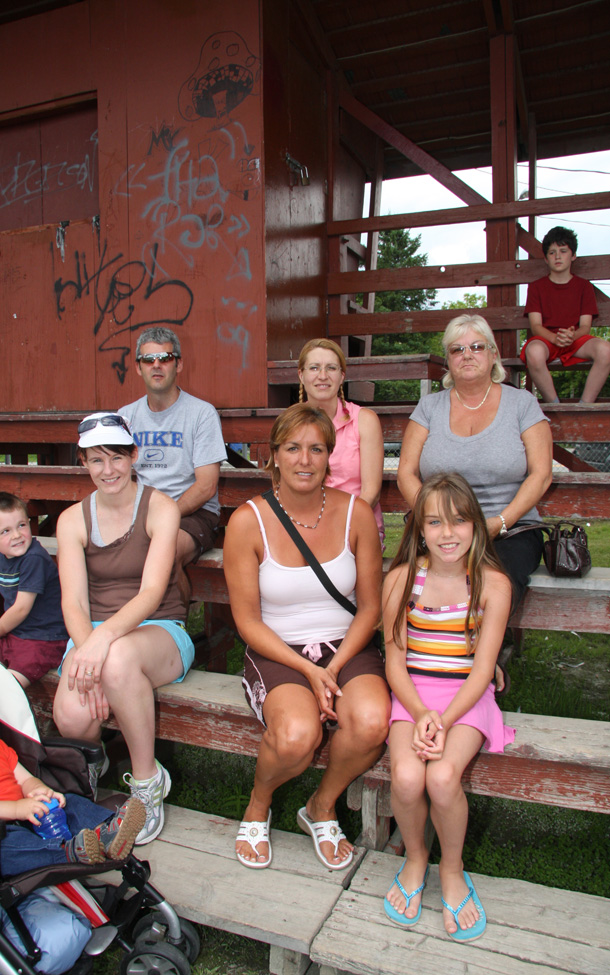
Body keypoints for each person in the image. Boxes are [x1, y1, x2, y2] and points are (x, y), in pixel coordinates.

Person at [223, 404, 390, 871]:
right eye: (293, 448)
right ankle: (259, 804)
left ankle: (321, 805)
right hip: (278, 647)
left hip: (346, 644)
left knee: (373, 721)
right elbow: (249, 622)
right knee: (298, 735)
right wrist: (307, 670)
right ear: (274, 455)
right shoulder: (247, 521)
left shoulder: (356, 513)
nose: (304, 459)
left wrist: (332, 668)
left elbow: (371, 607)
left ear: (330, 457)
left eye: (316, 448)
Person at [382, 473, 514, 941]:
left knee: (440, 777)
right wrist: (420, 714)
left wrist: (445, 718)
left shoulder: (493, 583)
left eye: (458, 521)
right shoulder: (401, 578)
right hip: (414, 696)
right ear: (419, 528)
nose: (446, 533)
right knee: (405, 776)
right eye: (434, 522)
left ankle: (452, 868)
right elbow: (395, 663)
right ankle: (417, 856)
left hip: (466, 698)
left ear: (476, 526)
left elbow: (482, 671)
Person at [52, 412, 195, 844]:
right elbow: (73, 601)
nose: (108, 470)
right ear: (83, 463)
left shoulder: (160, 507)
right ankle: (91, 767)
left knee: (115, 661)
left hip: (158, 628)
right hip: (92, 633)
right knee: (71, 716)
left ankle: (149, 783)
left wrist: (98, 649)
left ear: (134, 456)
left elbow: (152, 591)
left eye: (117, 457)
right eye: (96, 460)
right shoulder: (72, 520)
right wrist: (87, 651)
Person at [397, 314, 552, 606]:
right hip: (440, 530)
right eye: (457, 349)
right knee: (406, 579)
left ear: (493, 355)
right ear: (448, 361)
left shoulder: (522, 403)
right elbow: (406, 472)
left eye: (477, 347)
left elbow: (541, 474)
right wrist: (435, 520)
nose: (467, 354)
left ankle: (478, 649)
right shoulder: (429, 406)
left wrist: (500, 522)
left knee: (494, 581)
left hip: (508, 531)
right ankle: (421, 649)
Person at [0, 670, 146, 875]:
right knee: (7, 849)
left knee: (69, 802)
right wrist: (15, 809)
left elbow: (24, 779)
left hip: (29, 814)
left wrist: (39, 791)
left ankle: (108, 833)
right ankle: (67, 854)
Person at [119, 327, 227, 614]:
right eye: (148, 359)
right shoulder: (125, 417)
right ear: (138, 367)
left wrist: (161, 519)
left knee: (162, 553)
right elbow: (117, 478)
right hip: (142, 512)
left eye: (165, 357)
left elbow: (206, 487)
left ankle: (172, 630)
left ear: (178, 364)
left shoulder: (201, 413)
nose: (156, 364)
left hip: (193, 513)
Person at [298, 338, 385, 548]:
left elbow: (371, 492)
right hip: (303, 524)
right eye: (314, 368)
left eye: (331, 368)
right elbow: (281, 485)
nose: (323, 375)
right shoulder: (289, 424)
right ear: (301, 375)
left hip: (356, 526)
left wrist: (336, 527)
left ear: (341, 376)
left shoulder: (365, 420)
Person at [0, 493, 68, 689]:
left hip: (44, 639)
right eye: (5, 531)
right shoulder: (4, 556)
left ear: (29, 524)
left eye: (21, 525)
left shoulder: (34, 558)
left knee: (7, 686)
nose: (16, 535)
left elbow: (21, 609)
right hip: (17, 634)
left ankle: (3, 716)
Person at [522, 226, 610, 405]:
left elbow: (585, 326)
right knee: (533, 352)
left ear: (573, 255)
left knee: (606, 350)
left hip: (575, 339)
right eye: (552, 252)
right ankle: (555, 405)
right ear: (546, 259)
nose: (558, 256)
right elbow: (536, 326)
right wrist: (555, 338)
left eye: (563, 251)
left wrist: (571, 336)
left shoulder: (584, 286)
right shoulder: (536, 287)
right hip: (547, 339)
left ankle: (585, 406)